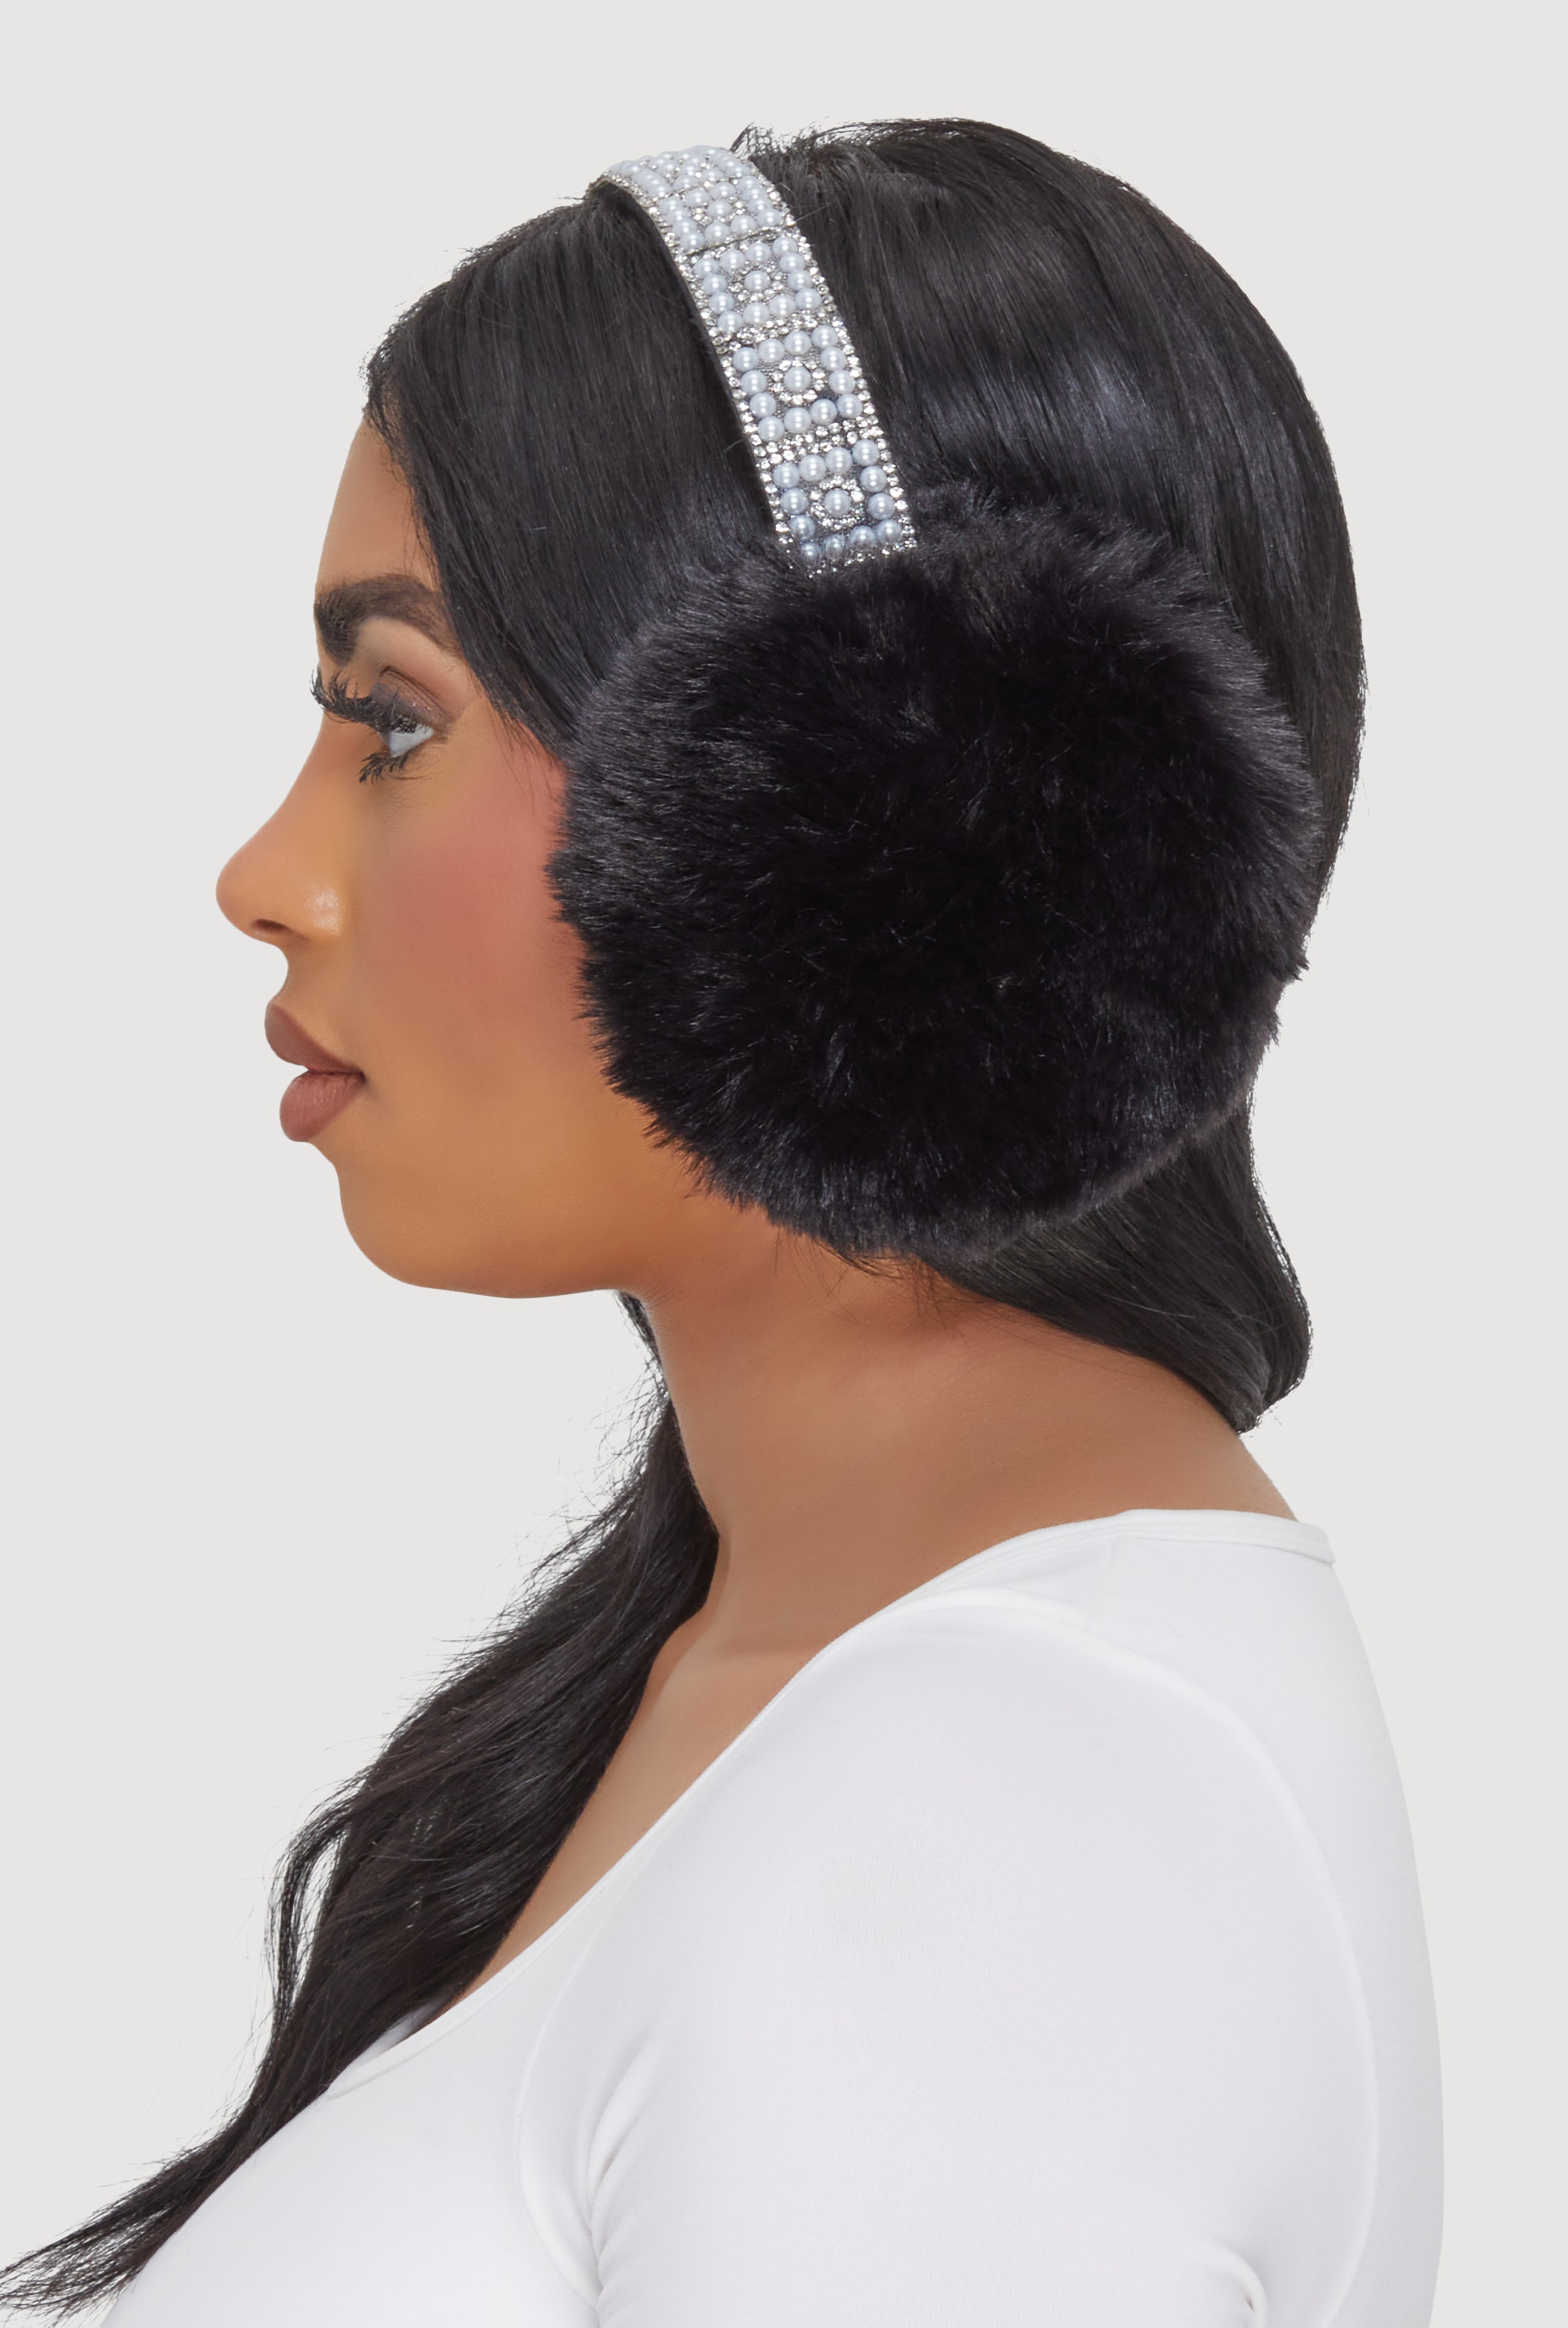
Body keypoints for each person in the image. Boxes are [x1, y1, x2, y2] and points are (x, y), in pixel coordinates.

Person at [1, 119, 1442, 2324]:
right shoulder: (827, 1690)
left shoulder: (994, 1809)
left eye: (390, 722)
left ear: (879, 799)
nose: (261, 876)